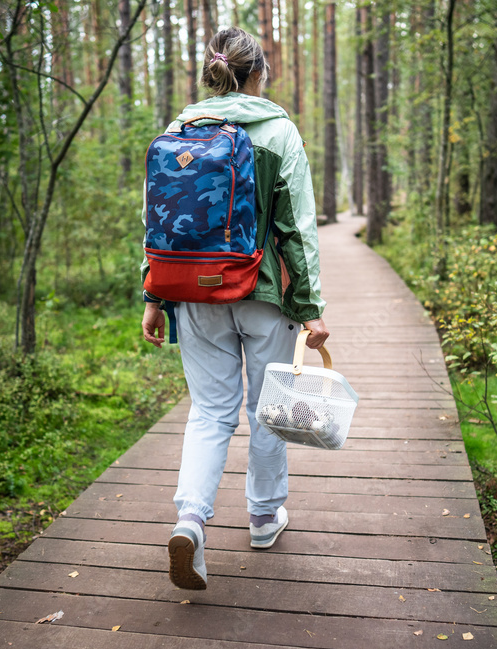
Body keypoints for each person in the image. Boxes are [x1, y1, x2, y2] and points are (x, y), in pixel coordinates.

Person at [140, 26, 328, 591]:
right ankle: (265, 517)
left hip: (194, 294)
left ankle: (190, 520)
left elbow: (158, 223)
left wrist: (154, 295)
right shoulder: (276, 130)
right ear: (258, 74)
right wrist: (311, 306)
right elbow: (296, 226)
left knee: (209, 411)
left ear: (210, 74)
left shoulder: (178, 129)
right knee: (266, 408)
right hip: (263, 292)